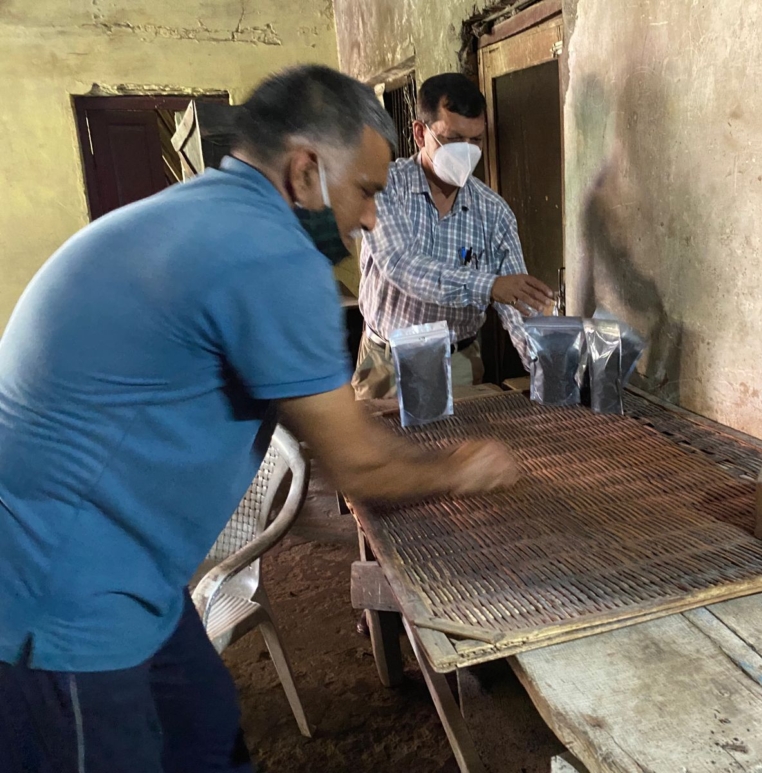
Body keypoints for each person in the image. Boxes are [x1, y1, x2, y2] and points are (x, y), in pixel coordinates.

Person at [0, 65, 518, 773]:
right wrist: (463, 467)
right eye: (366, 192)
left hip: (126, 565)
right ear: (305, 171)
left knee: (205, 722)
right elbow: (357, 463)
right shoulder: (271, 253)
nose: (371, 218)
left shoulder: (207, 213)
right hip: (55, 592)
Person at [352, 73, 554, 399]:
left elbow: (516, 304)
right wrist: (488, 285)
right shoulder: (386, 187)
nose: (467, 152)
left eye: (476, 140)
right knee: (377, 432)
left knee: (462, 433)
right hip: (387, 363)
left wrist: (546, 367)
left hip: (458, 362)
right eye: (454, 139)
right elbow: (402, 266)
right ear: (421, 133)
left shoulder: (494, 212)